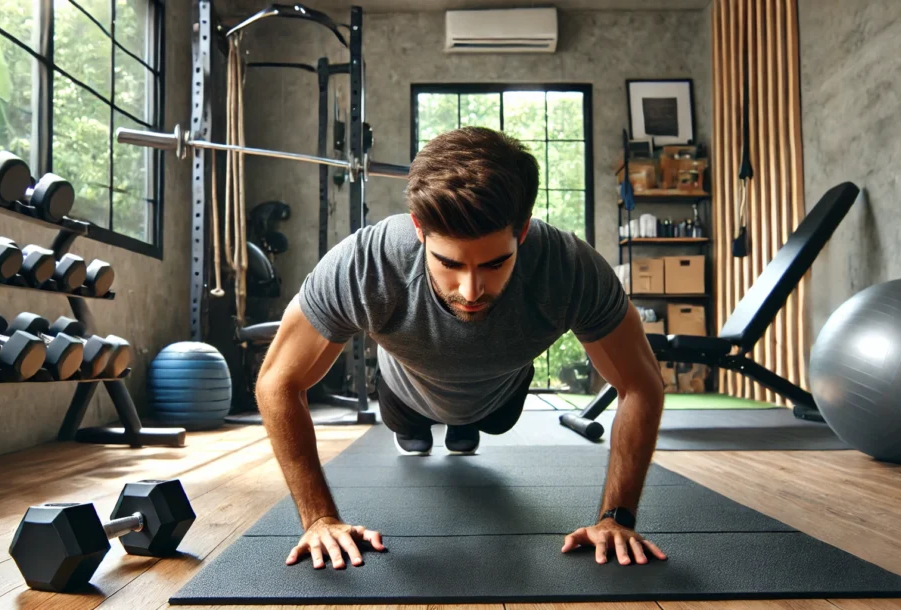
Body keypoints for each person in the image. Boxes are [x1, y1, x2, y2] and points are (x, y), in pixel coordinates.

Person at [254, 126, 667, 572]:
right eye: (450, 264)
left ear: (523, 232)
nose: (471, 290)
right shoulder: (367, 264)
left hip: (499, 398)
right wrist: (318, 518)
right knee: (412, 437)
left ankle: (462, 428)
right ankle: (426, 427)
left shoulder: (568, 268)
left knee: (479, 427)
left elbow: (641, 384)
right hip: (405, 393)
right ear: (419, 230)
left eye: (495, 263)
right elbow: (278, 381)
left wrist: (616, 517)